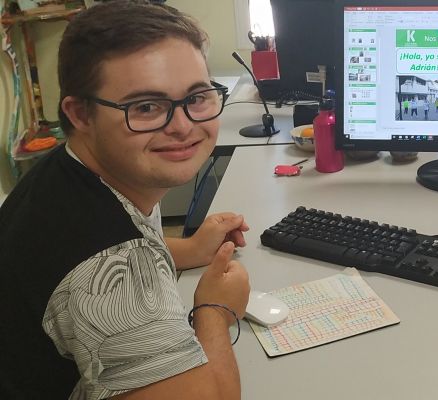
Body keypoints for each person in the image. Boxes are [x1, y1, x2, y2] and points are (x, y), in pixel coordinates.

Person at [0, 1, 252, 398]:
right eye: (146, 107)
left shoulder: (68, 173)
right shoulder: (110, 276)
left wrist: (185, 249)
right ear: (80, 115)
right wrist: (216, 310)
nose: (184, 126)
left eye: (198, 96)